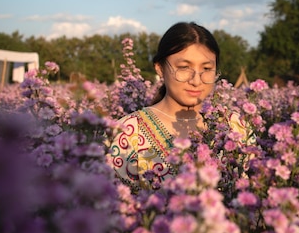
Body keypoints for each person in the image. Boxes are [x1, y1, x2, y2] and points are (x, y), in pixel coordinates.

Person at [106, 22, 253, 188]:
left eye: (206, 68)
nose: (196, 81)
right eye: (184, 67)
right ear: (160, 68)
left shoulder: (236, 127)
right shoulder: (127, 133)